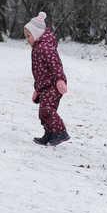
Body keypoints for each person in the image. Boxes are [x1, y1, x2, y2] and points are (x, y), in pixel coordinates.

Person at [24, 12, 70, 146]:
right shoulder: (37, 47)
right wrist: (37, 90)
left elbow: (55, 65)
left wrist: (60, 80)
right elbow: (38, 72)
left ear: (37, 33)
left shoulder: (46, 47)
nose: (27, 39)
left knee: (47, 110)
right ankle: (49, 133)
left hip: (53, 86)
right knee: (43, 113)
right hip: (44, 86)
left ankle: (61, 132)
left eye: (29, 35)